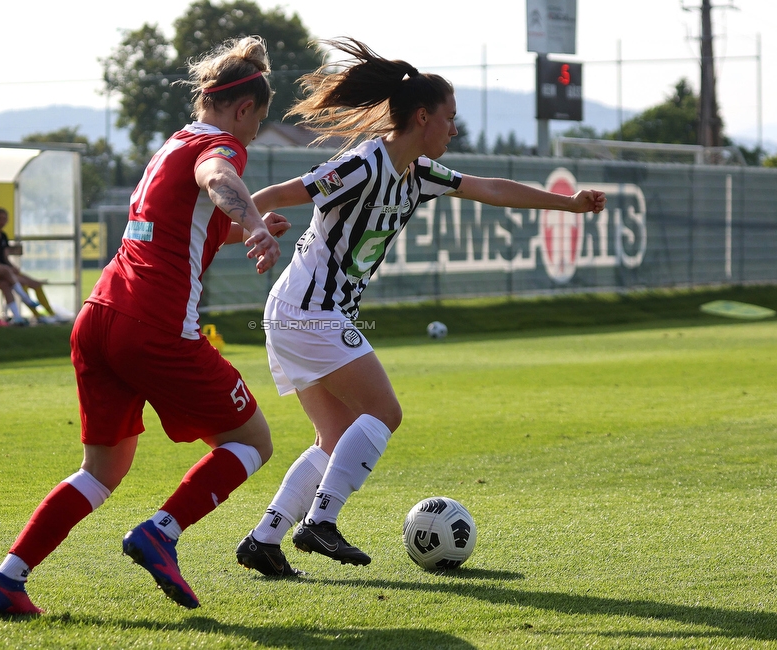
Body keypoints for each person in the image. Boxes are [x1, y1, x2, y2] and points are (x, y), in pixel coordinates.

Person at [234, 38, 607, 577]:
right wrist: (245, 226)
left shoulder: (419, 173)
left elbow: (491, 189)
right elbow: (280, 192)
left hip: (303, 312)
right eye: (450, 117)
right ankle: (320, 522)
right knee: (385, 413)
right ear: (424, 116)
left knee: (335, 439)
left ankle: (265, 540)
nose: (454, 129)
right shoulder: (364, 164)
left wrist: (567, 204)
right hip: (308, 311)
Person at [0, 35, 289, 615]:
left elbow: (182, 230)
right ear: (243, 109)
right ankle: (162, 532)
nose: (253, 134)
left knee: (101, 470)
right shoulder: (221, 145)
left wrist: (244, 222)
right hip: (156, 325)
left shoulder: (173, 144)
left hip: (100, 317)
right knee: (252, 441)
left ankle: (7, 579)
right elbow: (219, 178)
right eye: (259, 121)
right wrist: (252, 225)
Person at [0, 207, 53, 321]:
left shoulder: (3, 236)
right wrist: (6, 268)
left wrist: (12, 267)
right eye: (0, 218)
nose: (2, 221)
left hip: (6, 271)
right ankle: (36, 313)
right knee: (23, 282)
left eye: (4, 219)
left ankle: (51, 313)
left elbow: (5, 257)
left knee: (35, 283)